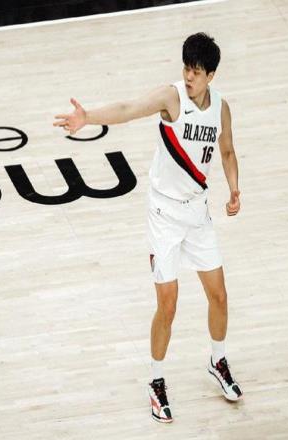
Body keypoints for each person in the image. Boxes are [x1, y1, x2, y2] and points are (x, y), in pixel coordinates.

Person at [53, 32, 243, 424]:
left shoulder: (221, 108)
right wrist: (88, 117)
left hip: (197, 213)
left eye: (196, 72)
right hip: (164, 215)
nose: (189, 77)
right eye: (186, 69)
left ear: (211, 75)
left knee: (219, 296)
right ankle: (156, 381)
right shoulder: (171, 98)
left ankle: (218, 361)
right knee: (168, 305)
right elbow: (128, 108)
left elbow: (226, 151)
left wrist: (234, 188)